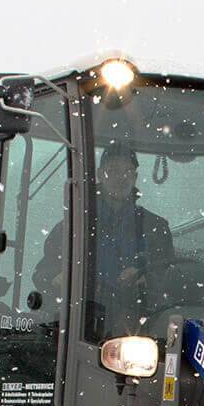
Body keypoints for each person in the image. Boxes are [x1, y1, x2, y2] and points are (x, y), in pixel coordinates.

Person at [34, 145, 175, 339]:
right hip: (80, 329)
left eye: (128, 171)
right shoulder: (74, 226)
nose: (121, 177)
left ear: (135, 177)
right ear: (100, 174)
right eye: (114, 170)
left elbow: (168, 277)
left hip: (138, 331)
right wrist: (62, 278)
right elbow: (43, 274)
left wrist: (144, 278)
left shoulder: (155, 227)